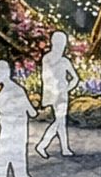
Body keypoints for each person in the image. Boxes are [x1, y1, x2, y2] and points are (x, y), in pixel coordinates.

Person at [33, 31, 80, 159]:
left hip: (62, 94)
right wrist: (49, 93)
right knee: (59, 121)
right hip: (53, 94)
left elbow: (75, 78)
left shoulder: (64, 61)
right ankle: (42, 145)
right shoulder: (47, 59)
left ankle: (64, 148)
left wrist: (66, 89)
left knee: (61, 121)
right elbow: (46, 77)